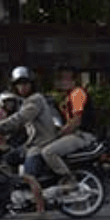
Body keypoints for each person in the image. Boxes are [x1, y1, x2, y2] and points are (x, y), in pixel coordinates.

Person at [0, 66, 56, 220]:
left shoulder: (35, 100)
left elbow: (20, 119)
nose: (22, 87)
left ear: (32, 84)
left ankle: (41, 211)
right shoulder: (24, 101)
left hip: (41, 143)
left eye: (25, 83)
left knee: (28, 174)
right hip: (31, 142)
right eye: (19, 84)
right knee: (8, 158)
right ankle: (16, 195)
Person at [37, 64, 91, 192]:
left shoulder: (77, 93)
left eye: (67, 78)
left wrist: (59, 134)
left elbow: (76, 121)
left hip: (81, 135)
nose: (62, 82)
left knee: (48, 152)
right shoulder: (67, 97)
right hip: (75, 134)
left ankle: (70, 180)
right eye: (61, 79)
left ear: (74, 80)